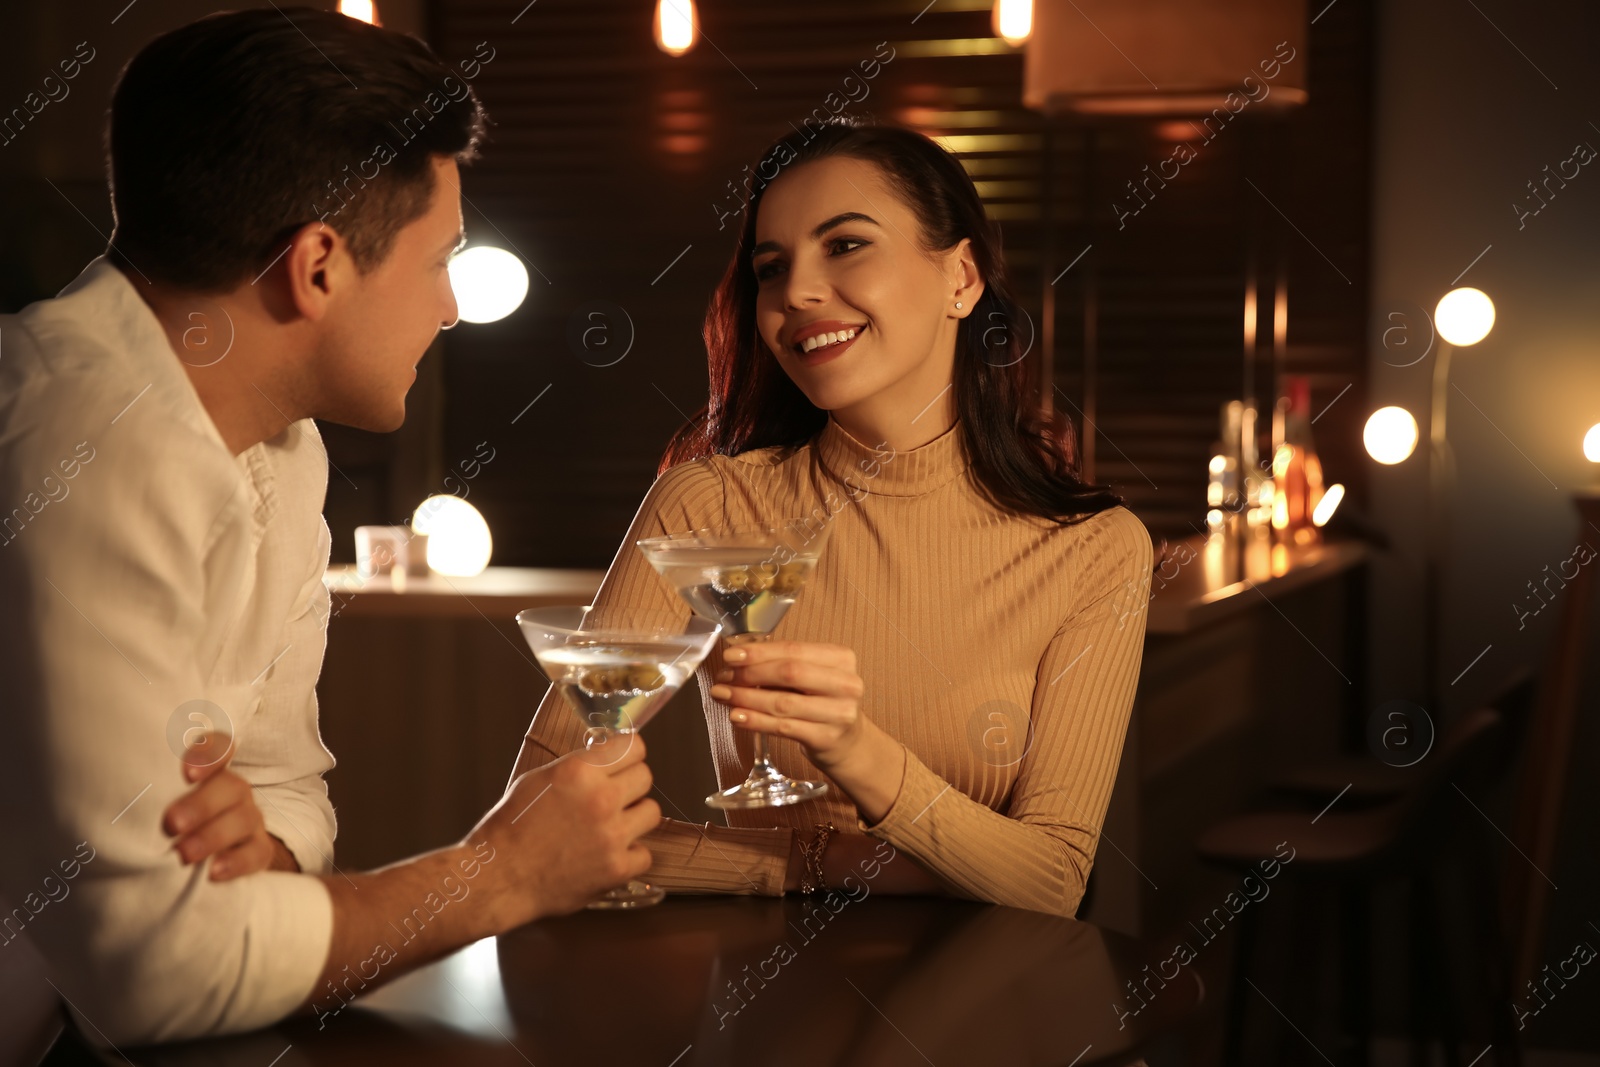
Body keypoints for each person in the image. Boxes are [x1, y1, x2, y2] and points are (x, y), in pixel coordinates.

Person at [0, 9, 658, 1046]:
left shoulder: (279, 447)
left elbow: (289, 788)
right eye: (439, 257)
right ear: (316, 266)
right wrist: (502, 873)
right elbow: (154, 970)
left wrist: (258, 849)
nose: (449, 306)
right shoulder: (87, 442)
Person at [510, 118, 1156, 919]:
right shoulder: (708, 504)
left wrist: (860, 752)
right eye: (771, 269)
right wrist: (814, 860)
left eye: (845, 245)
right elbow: (536, 822)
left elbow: (1052, 879)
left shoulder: (1094, 549)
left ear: (961, 277)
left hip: (985, 1006)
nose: (797, 294)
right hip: (765, 1004)